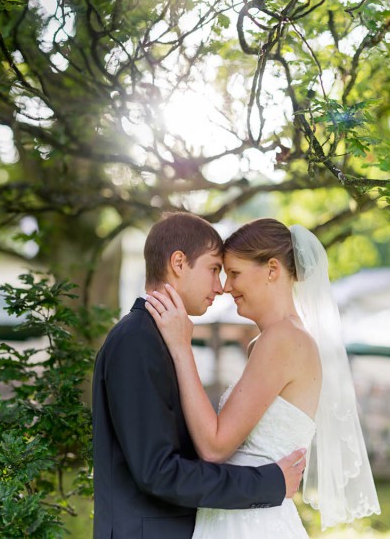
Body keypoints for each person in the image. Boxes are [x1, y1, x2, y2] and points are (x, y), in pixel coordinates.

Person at [146, 218, 381, 536]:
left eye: (235, 274)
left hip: (250, 523)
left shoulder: (282, 339)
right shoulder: (271, 340)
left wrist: (181, 346)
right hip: (245, 512)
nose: (226, 288)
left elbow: (215, 447)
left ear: (272, 269)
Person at [91, 212, 307, 539]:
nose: (220, 287)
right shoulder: (137, 339)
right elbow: (158, 472)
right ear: (179, 263)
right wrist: (268, 482)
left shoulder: (156, 336)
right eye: (214, 269)